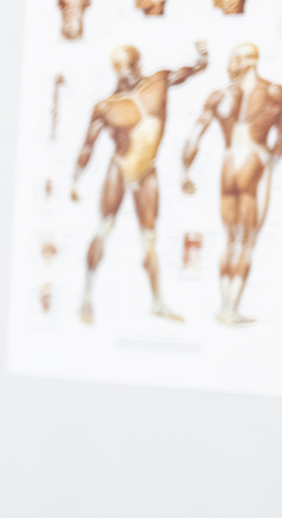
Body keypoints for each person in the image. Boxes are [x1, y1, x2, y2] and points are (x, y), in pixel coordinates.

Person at [71, 40, 209, 325]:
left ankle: (157, 302)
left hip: (147, 170)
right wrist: (75, 178)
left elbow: (188, 72)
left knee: (150, 239)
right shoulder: (106, 106)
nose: (124, 72)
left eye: (129, 65)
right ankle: (86, 295)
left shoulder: (158, 82)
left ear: (139, 64)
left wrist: (202, 58)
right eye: (119, 67)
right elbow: (88, 145)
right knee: (104, 227)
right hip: (119, 168)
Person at [180, 42, 282, 326]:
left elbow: (194, 136)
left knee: (230, 241)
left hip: (228, 163)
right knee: (247, 243)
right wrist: (270, 163)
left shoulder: (218, 96)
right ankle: (231, 310)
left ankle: (224, 307)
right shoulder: (274, 91)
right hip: (254, 159)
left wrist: (184, 172)